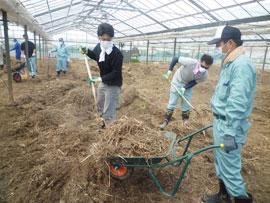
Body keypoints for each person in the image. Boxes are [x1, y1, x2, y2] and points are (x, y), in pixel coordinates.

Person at [202, 25, 256, 203]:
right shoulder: (230, 63)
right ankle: (222, 196)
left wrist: (230, 132)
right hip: (221, 123)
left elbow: (237, 102)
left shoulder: (241, 66)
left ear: (230, 43)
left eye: (219, 44)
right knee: (220, 163)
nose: (218, 48)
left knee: (230, 169)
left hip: (229, 126)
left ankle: (240, 199)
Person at [79, 23, 123, 128]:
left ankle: (110, 131)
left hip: (113, 85)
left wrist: (99, 78)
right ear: (99, 37)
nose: (106, 41)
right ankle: (103, 124)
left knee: (108, 111)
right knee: (99, 105)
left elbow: (116, 73)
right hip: (104, 83)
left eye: (109, 39)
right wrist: (87, 51)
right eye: (104, 39)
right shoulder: (99, 47)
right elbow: (95, 55)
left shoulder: (116, 54)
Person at [160, 54, 213, 129]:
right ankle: (165, 122)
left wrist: (184, 88)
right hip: (177, 80)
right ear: (200, 61)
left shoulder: (204, 75)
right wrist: (169, 71)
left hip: (187, 85)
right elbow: (176, 59)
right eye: (202, 66)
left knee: (186, 105)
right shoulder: (190, 62)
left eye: (206, 68)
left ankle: (185, 124)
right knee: (172, 102)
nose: (203, 69)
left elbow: (195, 82)